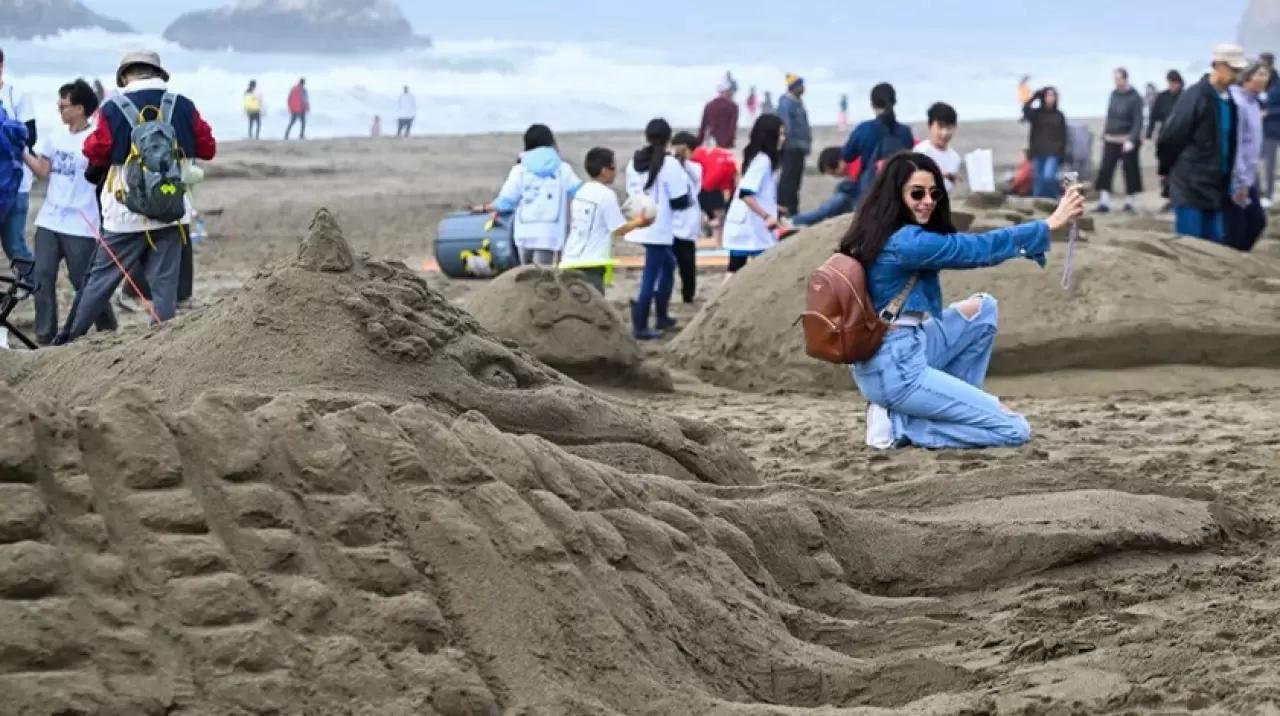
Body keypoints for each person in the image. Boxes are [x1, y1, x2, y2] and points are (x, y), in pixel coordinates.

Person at [840, 152, 1085, 449]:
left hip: (894, 353)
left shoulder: (879, 230)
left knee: (983, 311)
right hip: (896, 369)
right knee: (1013, 429)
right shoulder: (906, 242)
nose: (928, 201)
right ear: (896, 195)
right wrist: (1049, 224)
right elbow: (977, 248)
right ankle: (901, 427)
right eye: (917, 193)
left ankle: (942, 410)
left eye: (934, 192)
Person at [56, 50, 216, 344]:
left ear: (125, 75)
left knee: (99, 281)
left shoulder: (114, 108)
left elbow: (96, 150)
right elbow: (207, 148)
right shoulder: (182, 106)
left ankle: (67, 339)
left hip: (123, 213)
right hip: (170, 208)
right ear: (157, 74)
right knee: (164, 284)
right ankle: (161, 341)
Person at [22, 79, 116, 344]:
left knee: (82, 280)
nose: (58, 109)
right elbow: (43, 171)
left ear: (79, 108)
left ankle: (107, 326)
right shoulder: (55, 135)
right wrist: (20, 151)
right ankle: (45, 334)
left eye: (63, 105)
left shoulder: (96, 137)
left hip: (82, 222)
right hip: (50, 218)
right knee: (42, 275)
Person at [1156, 44, 1245, 243]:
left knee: (1214, 247)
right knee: (1191, 247)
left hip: (1216, 186)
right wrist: (1165, 169)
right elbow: (1171, 136)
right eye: (1234, 70)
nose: (1237, 76)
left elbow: (1230, 145)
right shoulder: (1195, 95)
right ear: (1218, 65)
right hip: (1190, 185)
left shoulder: (1230, 102)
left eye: (1240, 71)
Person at [473, 123, 583, 266]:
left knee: (527, 275)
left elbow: (506, 200)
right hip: (549, 232)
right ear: (551, 143)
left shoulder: (520, 169)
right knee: (542, 276)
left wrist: (487, 207)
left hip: (524, 230)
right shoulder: (563, 169)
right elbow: (580, 193)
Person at [623, 118, 691, 339]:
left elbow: (630, 194)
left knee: (668, 264)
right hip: (657, 228)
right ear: (668, 138)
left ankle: (661, 315)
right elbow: (679, 199)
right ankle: (641, 324)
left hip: (640, 223)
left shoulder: (634, 162)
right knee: (651, 274)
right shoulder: (669, 163)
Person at [560, 147, 649, 295]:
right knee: (595, 308)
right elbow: (618, 229)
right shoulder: (606, 194)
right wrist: (639, 222)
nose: (614, 172)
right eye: (612, 167)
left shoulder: (581, 191)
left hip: (570, 257)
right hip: (591, 262)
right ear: (603, 170)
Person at [722, 114, 784, 274]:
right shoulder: (763, 161)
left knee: (735, 268)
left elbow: (756, 192)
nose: (783, 139)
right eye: (781, 134)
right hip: (750, 226)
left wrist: (774, 207)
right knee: (762, 267)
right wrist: (767, 216)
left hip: (745, 223)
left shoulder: (756, 158)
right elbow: (746, 194)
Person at [841, 82, 914, 200]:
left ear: (872, 104)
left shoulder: (864, 129)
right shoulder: (905, 132)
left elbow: (847, 155)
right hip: (899, 192)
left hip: (871, 193)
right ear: (895, 102)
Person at [1225, 61, 1270, 251]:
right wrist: (1239, 180)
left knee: (1256, 221)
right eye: (1260, 74)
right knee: (1239, 226)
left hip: (1250, 174)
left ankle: (1238, 257)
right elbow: (1236, 142)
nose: (1265, 78)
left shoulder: (1254, 102)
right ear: (1246, 77)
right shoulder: (1237, 102)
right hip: (1237, 174)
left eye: (1266, 74)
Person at [0, 47, 37, 267]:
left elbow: (31, 135)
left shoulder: (17, 93)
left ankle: (38, 291)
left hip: (15, 185)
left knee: (15, 246)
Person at [1096, 68, 1145, 212]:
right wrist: (1103, 135)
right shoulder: (1113, 95)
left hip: (1127, 139)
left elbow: (1138, 121)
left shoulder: (1135, 97)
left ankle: (1130, 202)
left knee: (1130, 170)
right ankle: (1104, 202)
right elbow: (1109, 116)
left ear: (1125, 79)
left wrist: (1131, 139)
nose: (1116, 82)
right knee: (1106, 169)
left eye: (1118, 79)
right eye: (1115, 79)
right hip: (1111, 138)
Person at [670, 131, 703, 303]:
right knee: (667, 264)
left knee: (687, 263)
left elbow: (695, 179)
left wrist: (682, 160)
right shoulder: (666, 166)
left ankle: (688, 295)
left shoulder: (695, 167)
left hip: (687, 223)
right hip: (670, 223)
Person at [791, 146, 859, 226]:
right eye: (832, 174)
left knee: (835, 201)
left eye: (834, 171)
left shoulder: (856, 165)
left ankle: (795, 221)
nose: (836, 174)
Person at [1022, 86, 1068, 198]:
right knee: (1038, 180)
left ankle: (1057, 197)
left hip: (1053, 152)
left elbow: (1064, 136)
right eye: (1048, 95)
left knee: (1049, 177)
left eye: (1053, 96)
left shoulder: (1059, 115)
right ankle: (1038, 201)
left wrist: (1062, 153)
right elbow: (1025, 109)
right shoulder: (1036, 114)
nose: (1050, 98)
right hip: (1038, 151)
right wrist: (1034, 97)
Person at [775, 74, 811, 216]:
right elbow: (785, 126)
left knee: (795, 181)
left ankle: (793, 210)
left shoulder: (798, 102)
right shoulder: (787, 103)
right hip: (791, 147)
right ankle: (783, 209)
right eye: (801, 85)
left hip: (799, 147)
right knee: (788, 180)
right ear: (795, 87)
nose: (804, 88)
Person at [689, 140, 737, 242]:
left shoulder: (700, 154)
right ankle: (716, 234)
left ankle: (712, 226)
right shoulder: (725, 156)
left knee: (717, 216)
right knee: (719, 216)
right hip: (715, 183)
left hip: (709, 185)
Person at [912, 102, 962, 193]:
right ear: (930, 126)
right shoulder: (920, 152)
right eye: (940, 127)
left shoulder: (955, 158)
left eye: (949, 127)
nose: (945, 133)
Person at [697, 79, 738, 149]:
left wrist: (699, 143)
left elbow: (703, 126)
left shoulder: (709, 105)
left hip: (711, 141)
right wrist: (730, 142)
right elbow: (732, 127)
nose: (732, 93)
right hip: (725, 143)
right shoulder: (733, 106)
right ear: (728, 91)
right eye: (731, 91)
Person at [1147, 71, 1184, 142]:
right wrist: (1148, 136)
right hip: (1164, 135)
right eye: (1170, 83)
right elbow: (1153, 117)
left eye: (1174, 83)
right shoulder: (1162, 97)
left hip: (1181, 137)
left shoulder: (1186, 97)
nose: (1172, 86)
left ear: (1180, 83)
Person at [1263, 55, 1280, 208]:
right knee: (1257, 163)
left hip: (1274, 129)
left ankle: (1268, 195)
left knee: (1270, 163)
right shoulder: (1260, 82)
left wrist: (1269, 112)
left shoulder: (1278, 84)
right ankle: (1262, 193)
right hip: (1259, 128)